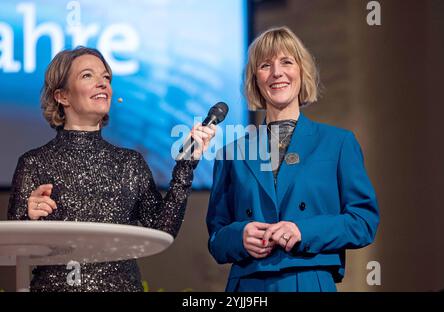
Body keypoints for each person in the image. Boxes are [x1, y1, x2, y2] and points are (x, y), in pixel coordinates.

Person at [7, 46, 216, 292]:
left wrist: (186, 164)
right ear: (62, 96)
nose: (102, 84)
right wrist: (27, 219)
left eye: (106, 78)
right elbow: (13, 249)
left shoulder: (131, 163)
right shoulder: (34, 163)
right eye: (88, 76)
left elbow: (163, 229)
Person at [206, 26, 379, 292]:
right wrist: (240, 236)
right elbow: (217, 238)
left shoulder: (338, 143)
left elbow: (363, 222)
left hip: (310, 279)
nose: (277, 73)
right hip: (249, 285)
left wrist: (303, 231)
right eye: (265, 65)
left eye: (286, 62)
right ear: (256, 80)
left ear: (302, 71)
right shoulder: (231, 152)